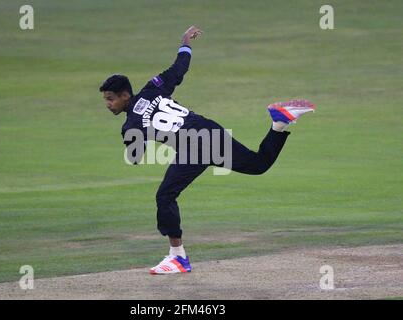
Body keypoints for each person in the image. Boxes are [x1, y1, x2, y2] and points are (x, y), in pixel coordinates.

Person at [99, 26, 315, 275]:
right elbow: (179, 69)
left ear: (125, 95)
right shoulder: (153, 88)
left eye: (110, 99)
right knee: (258, 165)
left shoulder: (130, 125)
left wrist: (133, 143)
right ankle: (279, 122)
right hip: (208, 129)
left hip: (195, 146)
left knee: (165, 196)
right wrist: (185, 42)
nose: (108, 104)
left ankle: (178, 257)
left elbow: (136, 157)